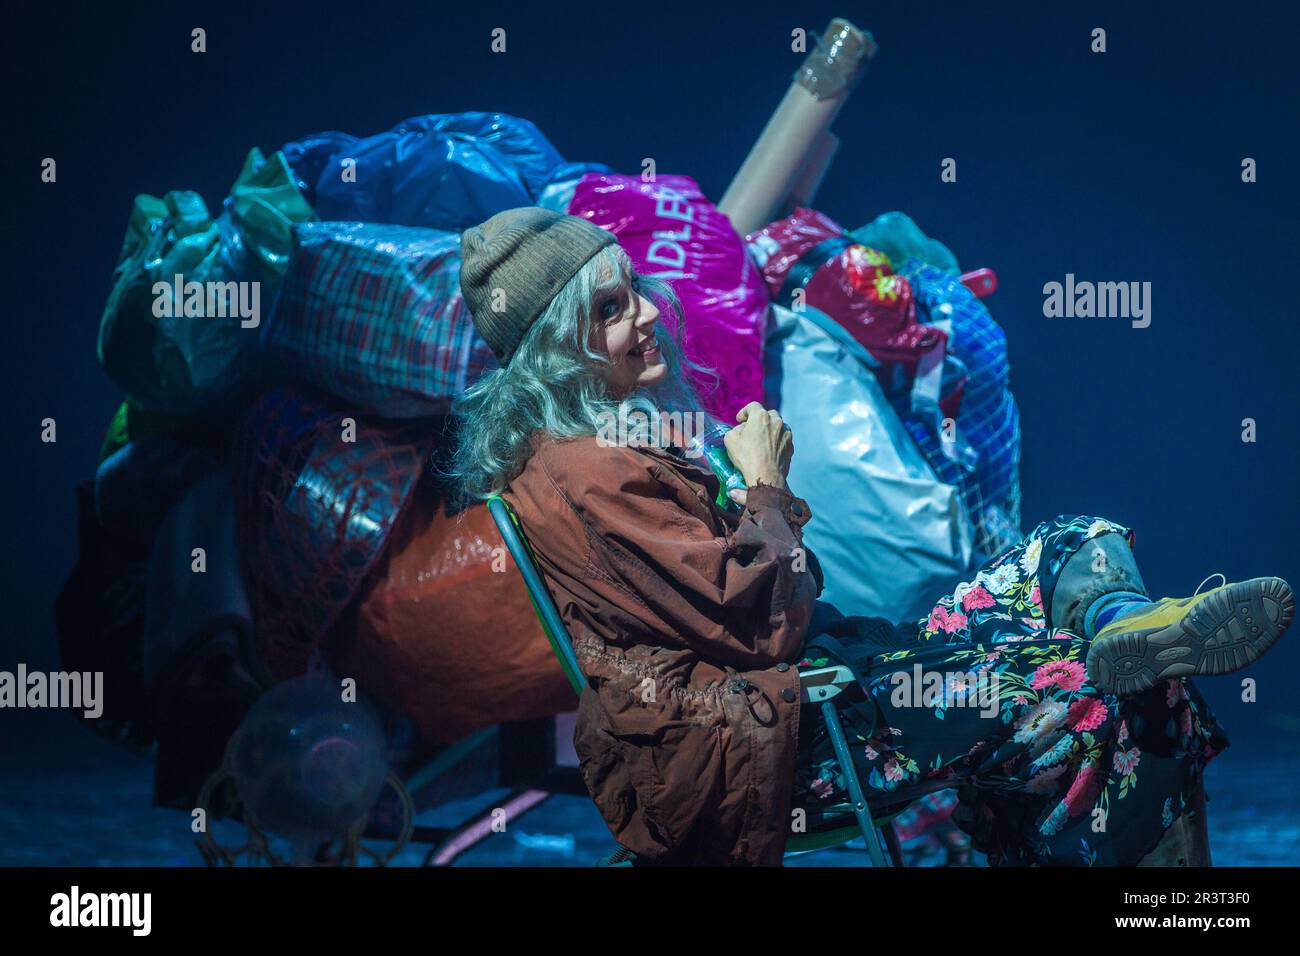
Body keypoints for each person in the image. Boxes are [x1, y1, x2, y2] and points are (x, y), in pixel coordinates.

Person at [449, 207, 1294, 866]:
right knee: (1091, 694)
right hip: (785, 738)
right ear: (557, 349)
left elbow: (772, 593)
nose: (643, 313)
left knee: (1076, 538)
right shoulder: (591, 471)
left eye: (632, 289)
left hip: (835, 675)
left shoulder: (607, 447)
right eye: (608, 309)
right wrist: (767, 484)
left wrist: (758, 503)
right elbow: (764, 626)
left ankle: (1124, 627)